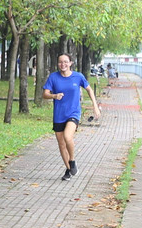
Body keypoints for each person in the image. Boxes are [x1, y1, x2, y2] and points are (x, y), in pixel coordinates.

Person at [43, 53, 102, 181]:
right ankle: (69, 169)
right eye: (60, 62)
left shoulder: (78, 76)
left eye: (65, 62)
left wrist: (95, 106)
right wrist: (54, 96)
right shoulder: (53, 77)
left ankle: (72, 160)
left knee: (67, 136)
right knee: (61, 144)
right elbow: (45, 94)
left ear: (70, 63)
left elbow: (89, 90)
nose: (62, 64)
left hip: (73, 113)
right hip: (59, 115)